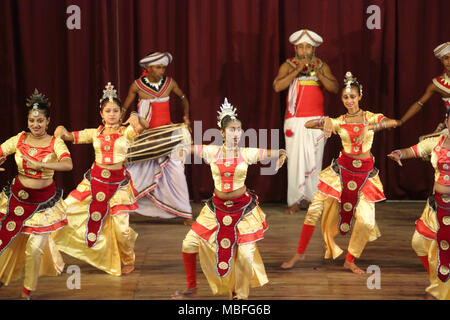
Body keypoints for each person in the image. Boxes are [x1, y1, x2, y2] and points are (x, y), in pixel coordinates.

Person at [281, 72, 401, 274]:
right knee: (313, 210)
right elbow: (308, 124)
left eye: (353, 97)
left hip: (365, 176)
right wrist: (326, 120)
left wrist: (368, 126)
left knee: (366, 220)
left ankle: (350, 258)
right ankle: (300, 252)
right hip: (340, 172)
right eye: (346, 97)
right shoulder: (339, 120)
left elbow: (392, 122)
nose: (349, 101)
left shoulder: (370, 116)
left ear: (360, 96)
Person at [171, 98, 287, 300]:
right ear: (222, 133)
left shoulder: (246, 153)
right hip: (216, 209)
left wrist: (281, 152)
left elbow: (269, 153)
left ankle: (239, 296)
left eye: (239, 129)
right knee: (188, 244)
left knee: (245, 254)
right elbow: (188, 149)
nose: (236, 134)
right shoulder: (212, 152)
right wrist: (179, 150)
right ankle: (191, 288)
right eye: (232, 130)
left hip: (243, 210)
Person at [52, 82, 144, 276]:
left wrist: (135, 117)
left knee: (122, 229)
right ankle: (54, 257)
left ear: (121, 113)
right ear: (101, 114)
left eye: (116, 111)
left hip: (118, 186)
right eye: (108, 111)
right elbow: (68, 136)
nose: (112, 114)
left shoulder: (126, 133)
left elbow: (142, 126)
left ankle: (128, 259)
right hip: (94, 182)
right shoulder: (94, 133)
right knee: (63, 209)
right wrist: (60, 129)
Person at [0, 89, 73, 299]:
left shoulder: (54, 142)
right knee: (5, 240)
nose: (35, 125)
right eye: (32, 120)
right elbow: (1, 151)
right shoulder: (20, 139)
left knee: (34, 249)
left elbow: (68, 164)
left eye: (40, 120)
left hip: (44, 205)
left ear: (48, 121)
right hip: (17, 199)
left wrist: (41, 164)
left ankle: (26, 292)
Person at [273, 29, 339, 215]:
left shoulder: (321, 65)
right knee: (294, 160)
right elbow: (278, 86)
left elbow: (334, 88)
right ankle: (294, 200)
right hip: (294, 120)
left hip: (317, 121)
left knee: (315, 159)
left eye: (307, 46)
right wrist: (297, 69)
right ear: (295, 48)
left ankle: (313, 200)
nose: (304, 50)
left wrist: (318, 71)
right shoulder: (288, 65)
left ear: (314, 49)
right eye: (300, 47)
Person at [122, 52, 193, 221]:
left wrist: (186, 117)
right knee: (135, 174)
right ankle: (122, 207)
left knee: (175, 172)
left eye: (163, 67)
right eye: (158, 67)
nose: (162, 70)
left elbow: (183, 98)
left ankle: (184, 212)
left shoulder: (169, 83)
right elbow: (124, 107)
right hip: (145, 137)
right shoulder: (137, 85)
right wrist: (118, 123)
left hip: (166, 136)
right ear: (148, 68)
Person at [388, 110, 450, 299]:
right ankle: (438, 285)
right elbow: (414, 150)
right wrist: (399, 153)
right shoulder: (436, 142)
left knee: (444, 251)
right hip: (436, 206)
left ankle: (440, 292)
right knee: (419, 243)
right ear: (447, 121)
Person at [399, 42, 450, 139]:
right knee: (425, 142)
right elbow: (419, 104)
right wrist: (401, 121)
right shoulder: (436, 85)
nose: (449, 61)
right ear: (441, 60)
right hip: (448, 126)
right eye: (446, 58)